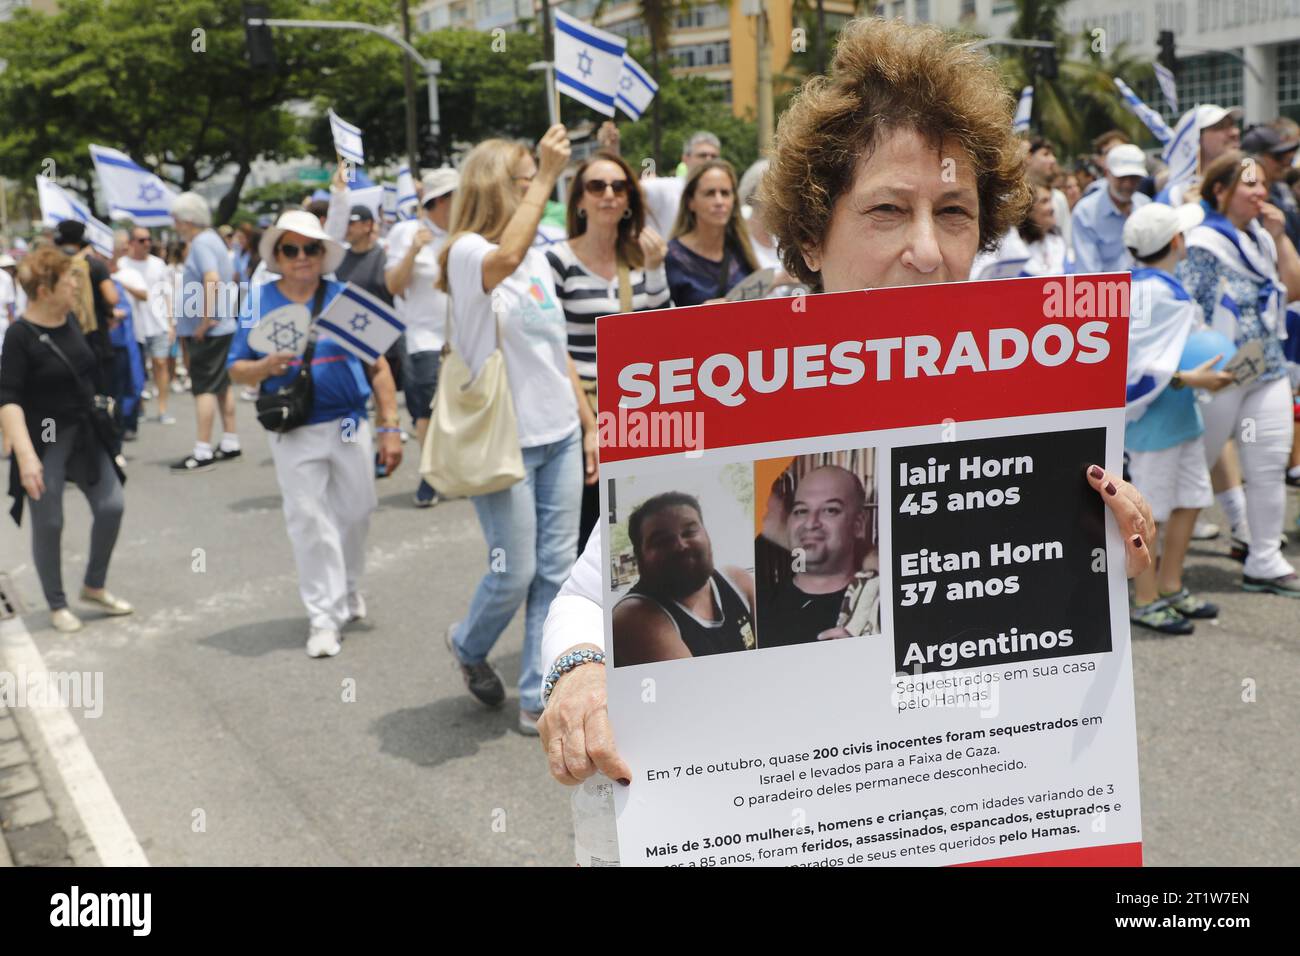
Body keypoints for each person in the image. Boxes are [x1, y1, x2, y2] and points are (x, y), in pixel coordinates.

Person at [537, 17, 1155, 787]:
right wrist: (583, 673)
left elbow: (1040, 625)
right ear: (810, 239)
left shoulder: (1035, 393)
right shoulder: (716, 382)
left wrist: (1096, 561)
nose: (929, 251)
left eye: (955, 212)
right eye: (888, 210)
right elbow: (584, 596)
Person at [436, 127, 595, 736]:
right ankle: (468, 643)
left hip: (558, 431)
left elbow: (559, 354)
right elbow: (500, 261)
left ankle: (536, 694)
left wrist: (588, 425)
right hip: (502, 441)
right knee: (514, 569)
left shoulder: (538, 254)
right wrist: (554, 176)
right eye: (526, 182)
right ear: (496, 186)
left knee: (556, 570)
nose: (537, 190)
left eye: (537, 181)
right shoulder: (467, 251)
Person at [227, 210, 403, 657]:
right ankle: (323, 617)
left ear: (323, 254)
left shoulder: (344, 298)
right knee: (309, 521)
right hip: (294, 426)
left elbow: (379, 366)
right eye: (291, 249)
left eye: (310, 248)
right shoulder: (258, 301)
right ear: (277, 256)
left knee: (358, 510)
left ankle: (346, 587)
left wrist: (390, 428)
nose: (301, 257)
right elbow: (235, 370)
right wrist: (265, 366)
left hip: (348, 421)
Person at [1178, 151, 1300, 596]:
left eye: (1264, 184)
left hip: (1266, 367)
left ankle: (1264, 558)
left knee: (1267, 465)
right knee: (1193, 464)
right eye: (1250, 184)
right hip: (1222, 370)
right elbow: (1189, 307)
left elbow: (1293, 289)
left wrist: (1281, 236)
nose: (1261, 192)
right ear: (1220, 190)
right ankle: (1152, 561)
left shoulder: (1263, 237)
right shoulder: (1203, 242)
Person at [0, 247, 131, 633]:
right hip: (46, 435)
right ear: (44, 289)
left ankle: (94, 585)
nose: (76, 284)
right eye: (68, 279)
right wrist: (26, 457)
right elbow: (7, 399)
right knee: (50, 521)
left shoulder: (70, 318)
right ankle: (57, 603)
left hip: (85, 431)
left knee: (112, 506)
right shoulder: (20, 336)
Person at [545, 150, 670, 552]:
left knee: (628, 525)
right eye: (597, 186)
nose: (609, 195)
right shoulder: (557, 260)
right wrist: (589, 425)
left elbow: (660, 335)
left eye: (619, 187)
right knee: (582, 532)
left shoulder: (638, 257)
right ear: (579, 200)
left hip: (631, 408)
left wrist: (654, 269)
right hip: (576, 404)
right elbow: (553, 344)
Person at [1121, 203, 1235, 633]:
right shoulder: (1153, 294)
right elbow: (1137, 371)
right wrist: (1193, 379)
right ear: (1175, 242)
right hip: (1153, 425)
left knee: (1190, 499)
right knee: (1148, 513)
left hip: (1181, 417)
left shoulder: (1152, 287)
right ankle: (1146, 597)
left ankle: (1170, 585)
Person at [612, 493, 756, 664]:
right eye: (662, 541)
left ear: (707, 536)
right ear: (639, 557)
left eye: (689, 532)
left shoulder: (738, 581)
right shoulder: (634, 617)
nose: (680, 545)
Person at [386, 167, 458, 508]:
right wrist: (412, 252)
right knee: (426, 410)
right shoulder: (406, 232)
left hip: (466, 337)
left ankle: (460, 471)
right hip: (425, 337)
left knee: (462, 406)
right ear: (440, 200)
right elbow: (394, 286)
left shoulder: (466, 231)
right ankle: (430, 474)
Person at [756, 465, 879, 646]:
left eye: (830, 510)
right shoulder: (755, 608)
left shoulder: (879, 609)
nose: (810, 523)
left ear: (858, 524)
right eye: (801, 511)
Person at [169, 191, 241, 473]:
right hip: (220, 326)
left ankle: (202, 448)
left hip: (210, 331)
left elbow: (211, 280)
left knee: (205, 388)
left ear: (187, 220)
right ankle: (230, 440)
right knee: (221, 386)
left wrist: (205, 320)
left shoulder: (201, 244)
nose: (174, 224)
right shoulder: (213, 241)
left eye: (176, 219)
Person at [664, 159, 759, 307]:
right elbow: (660, 322)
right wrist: (700, 314)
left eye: (725, 193)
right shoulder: (672, 256)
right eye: (710, 193)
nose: (719, 201)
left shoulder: (741, 247)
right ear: (691, 202)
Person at [116, 227, 175, 425]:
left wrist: (171, 322)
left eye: (149, 239)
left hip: (158, 323)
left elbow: (167, 294)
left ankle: (162, 408)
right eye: (142, 240)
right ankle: (138, 407)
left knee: (160, 364)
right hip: (134, 326)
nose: (147, 243)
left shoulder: (158, 265)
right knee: (137, 369)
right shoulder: (122, 265)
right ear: (132, 242)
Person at [1071, 143, 1151, 274]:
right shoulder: (1085, 213)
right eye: (1122, 177)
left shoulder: (1146, 206)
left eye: (1134, 178)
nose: (1128, 184)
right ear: (1107, 173)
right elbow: (1088, 273)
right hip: (1107, 291)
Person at [1155, 105, 1242, 206]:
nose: (1235, 132)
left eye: (1233, 125)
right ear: (1194, 138)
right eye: (1221, 127)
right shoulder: (1174, 195)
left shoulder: (1245, 188)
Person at [1242, 124, 1300, 249]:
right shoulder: (1243, 206)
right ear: (1254, 159)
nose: (1285, 162)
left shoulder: (1280, 195)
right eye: (1277, 156)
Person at [1025, 137, 1072, 248]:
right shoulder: (1012, 198)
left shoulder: (1058, 198)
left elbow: (1067, 240)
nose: (1053, 160)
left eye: (1052, 155)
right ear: (1029, 157)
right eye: (1045, 154)